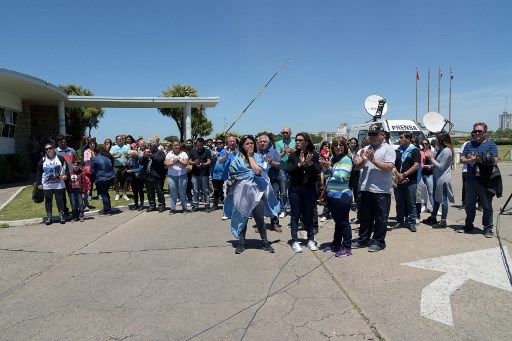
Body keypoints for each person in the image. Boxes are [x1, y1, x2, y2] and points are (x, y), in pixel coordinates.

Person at [229, 135, 279, 254]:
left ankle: (265, 243)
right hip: (242, 193)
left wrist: (251, 157)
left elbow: (258, 171)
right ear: (242, 145)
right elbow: (233, 173)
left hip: (257, 192)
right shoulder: (237, 159)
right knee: (242, 218)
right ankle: (241, 244)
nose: (250, 145)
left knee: (259, 218)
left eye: (252, 143)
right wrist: (248, 173)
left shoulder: (257, 157)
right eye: (247, 143)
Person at [352, 124, 396, 252]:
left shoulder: (388, 149)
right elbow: (357, 166)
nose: (371, 137)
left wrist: (373, 160)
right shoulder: (365, 148)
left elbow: (389, 168)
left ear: (382, 135)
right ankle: (363, 239)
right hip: (366, 188)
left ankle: (378, 242)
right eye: (370, 134)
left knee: (381, 218)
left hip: (381, 190)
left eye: (375, 134)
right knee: (365, 217)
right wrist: (364, 160)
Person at [459, 122, 499, 237]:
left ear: (484, 132)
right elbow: (461, 159)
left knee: (486, 205)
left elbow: (495, 160)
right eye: (475, 131)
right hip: (471, 179)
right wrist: (469, 160)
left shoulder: (491, 145)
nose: (476, 133)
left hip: (485, 180)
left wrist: (479, 159)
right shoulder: (469, 144)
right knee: (469, 204)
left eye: (479, 131)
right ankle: (468, 225)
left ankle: (487, 228)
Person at [287, 132, 321, 253]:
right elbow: (289, 170)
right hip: (295, 189)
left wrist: (310, 163)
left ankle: (310, 239)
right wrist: (300, 164)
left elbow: (318, 170)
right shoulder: (293, 155)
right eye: (296, 140)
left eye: (300, 140)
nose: (297, 142)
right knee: (295, 215)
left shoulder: (314, 154)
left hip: (309, 190)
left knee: (309, 215)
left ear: (306, 142)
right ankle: (295, 240)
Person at [319, 137, 353, 257]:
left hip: (342, 196)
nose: (338, 147)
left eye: (341, 145)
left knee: (343, 223)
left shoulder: (346, 160)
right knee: (338, 222)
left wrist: (329, 168)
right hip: (332, 195)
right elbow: (329, 175)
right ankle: (336, 244)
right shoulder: (334, 159)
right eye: (335, 145)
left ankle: (347, 247)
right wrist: (325, 167)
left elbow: (342, 176)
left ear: (345, 147)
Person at [422, 133, 455, 228]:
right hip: (437, 177)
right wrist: (432, 155)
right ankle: (433, 217)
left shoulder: (447, 151)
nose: (435, 140)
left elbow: (441, 166)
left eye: (437, 138)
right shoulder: (440, 149)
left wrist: (431, 158)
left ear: (442, 140)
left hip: (443, 178)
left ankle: (443, 221)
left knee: (443, 199)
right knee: (437, 199)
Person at [392, 132, 420, 232]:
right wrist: (398, 175)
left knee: (411, 202)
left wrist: (404, 174)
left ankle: (412, 222)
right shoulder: (397, 151)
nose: (399, 139)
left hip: (410, 181)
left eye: (401, 137)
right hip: (398, 181)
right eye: (399, 137)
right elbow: (393, 164)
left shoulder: (414, 150)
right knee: (399, 202)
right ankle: (399, 220)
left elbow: (416, 165)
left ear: (408, 139)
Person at [36, 143, 68, 225]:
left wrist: (66, 175)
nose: (48, 150)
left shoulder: (60, 158)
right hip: (47, 185)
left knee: (60, 200)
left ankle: (61, 215)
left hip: (58, 184)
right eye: (46, 149)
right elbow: (39, 173)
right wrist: (39, 183)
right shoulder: (43, 160)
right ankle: (49, 217)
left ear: (53, 149)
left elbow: (66, 168)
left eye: (50, 148)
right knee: (48, 201)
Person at [256, 134, 282, 232]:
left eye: (264, 142)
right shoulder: (255, 153)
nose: (262, 143)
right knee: (260, 203)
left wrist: (272, 163)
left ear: (268, 142)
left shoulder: (274, 152)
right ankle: (260, 225)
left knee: (273, 202)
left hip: (273, 181)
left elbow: (280, 165)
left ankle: (275, 223)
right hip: (259, 182)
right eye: (260, 142)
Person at [275, 127, 296, 218]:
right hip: (282, 169)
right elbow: (277, 156)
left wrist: (292, 152)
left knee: (293, 190)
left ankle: (293, 208)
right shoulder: (278, 143)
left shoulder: (295, 142)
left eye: (287, 132)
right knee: (283, 191)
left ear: (290, 133)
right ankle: (283, 209)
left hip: (293, 169)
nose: (285, 134)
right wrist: (284, 152)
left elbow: (298, 154)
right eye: (283, 132)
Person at [189, 138, 213, 212]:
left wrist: (203, 164)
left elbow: (209, 161)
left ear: (203, 144)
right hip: (195, 174)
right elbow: (189, 161)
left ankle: (207, 205)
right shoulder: (192, 151)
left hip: (204, 173)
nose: (200, 146)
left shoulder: (207, 151)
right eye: (198, 145)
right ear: (196, 144)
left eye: (201, 145)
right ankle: (195, 205)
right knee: (195, 190)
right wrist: (194, 163)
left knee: (205, 190)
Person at [165, 141, 189, 214]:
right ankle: (172, 209)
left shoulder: (184, 154)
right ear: (172, 146)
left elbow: (185, 164)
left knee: (182, 192)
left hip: (182, 175)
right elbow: (166, 164)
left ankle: (184, 208)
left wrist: (179, 161)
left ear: (180, 146)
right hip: (171, 176)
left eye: (177, 145)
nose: (176, 146)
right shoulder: (169, 154)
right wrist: (173, 162)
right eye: (174, 145)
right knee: (173, 192)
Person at [142, 140, 167, 212]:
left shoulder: (160, 152)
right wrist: (144, 156)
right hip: (148, 175)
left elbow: (160, 160)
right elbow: (143, 163)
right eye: (148, 145)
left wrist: (151, 156)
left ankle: (161, 205)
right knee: (150, 192)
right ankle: (152, 205)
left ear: (154, 146)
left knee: (159, 191)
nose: (149, 147)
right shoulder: (147, 152)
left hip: (157, 175)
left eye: (150, 145)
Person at [90, 147, 115, 216]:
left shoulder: (93, 159)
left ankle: (107, 211)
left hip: (101, 178)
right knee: (106, 193)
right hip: (111, 177)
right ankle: (107, 208)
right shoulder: (107, 158)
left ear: (95, 152)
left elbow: (92, 171)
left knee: (104, 194)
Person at [55, 135, 76, 216]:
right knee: (62, 194)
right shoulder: (55, 151)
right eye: (61, 142)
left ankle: (74, 208)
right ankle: (64, 210)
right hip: (60, 177)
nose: (63, 143)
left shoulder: (72, 150)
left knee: (72, 193)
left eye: (64, 142)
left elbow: (75, 161)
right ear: (58, 143)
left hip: (71, 175)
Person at [219, 136, 238, 220]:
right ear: (227, 142)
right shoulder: (224, 150)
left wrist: (237, 154)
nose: (232, 142)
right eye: (230, 141)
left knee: (241, 196)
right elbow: (220, 161)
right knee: (228, 196)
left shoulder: (240, 150)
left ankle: (242, 213)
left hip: (240, 176)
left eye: (234, 141)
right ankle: (227, 213)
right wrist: (226, 155)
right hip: (228, 177)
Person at [110, 135, 131, 201]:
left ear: (123, 140)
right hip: (116, 166)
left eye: (121, 139)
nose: (119, 140)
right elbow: (111, 156)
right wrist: (116, 156)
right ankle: (117, 194)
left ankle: (124, 194)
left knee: (124, 181)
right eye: (118, 139)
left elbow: (130, 155)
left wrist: (128, 156)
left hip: (124, 166)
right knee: (116, 181)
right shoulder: (113, 147)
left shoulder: (126, 147)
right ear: (116, 141)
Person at [211, 139, 226, 211]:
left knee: (223, 190)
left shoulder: (226, 151)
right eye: (217, 143)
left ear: (223, 143)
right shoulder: (213, 151)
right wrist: (213, 155)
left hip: (224, 174)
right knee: (216, 190)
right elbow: (210, 160)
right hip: (214, 174)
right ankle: (215, 204)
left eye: (220, 142)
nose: (219, 144)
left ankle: (225, 204)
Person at [421, 139, 435, 211]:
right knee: (422, 191)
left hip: (430, 174)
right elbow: (419, 164)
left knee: (431, 192)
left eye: (426, 144)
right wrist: (426, 166)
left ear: (429, 144)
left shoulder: (432, 152)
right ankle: (424, 206)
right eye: (423, 144)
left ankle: (434, 208)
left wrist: (430, 158)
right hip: (421, 174)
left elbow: (434, 164)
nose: (424, 145)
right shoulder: (420, 152)